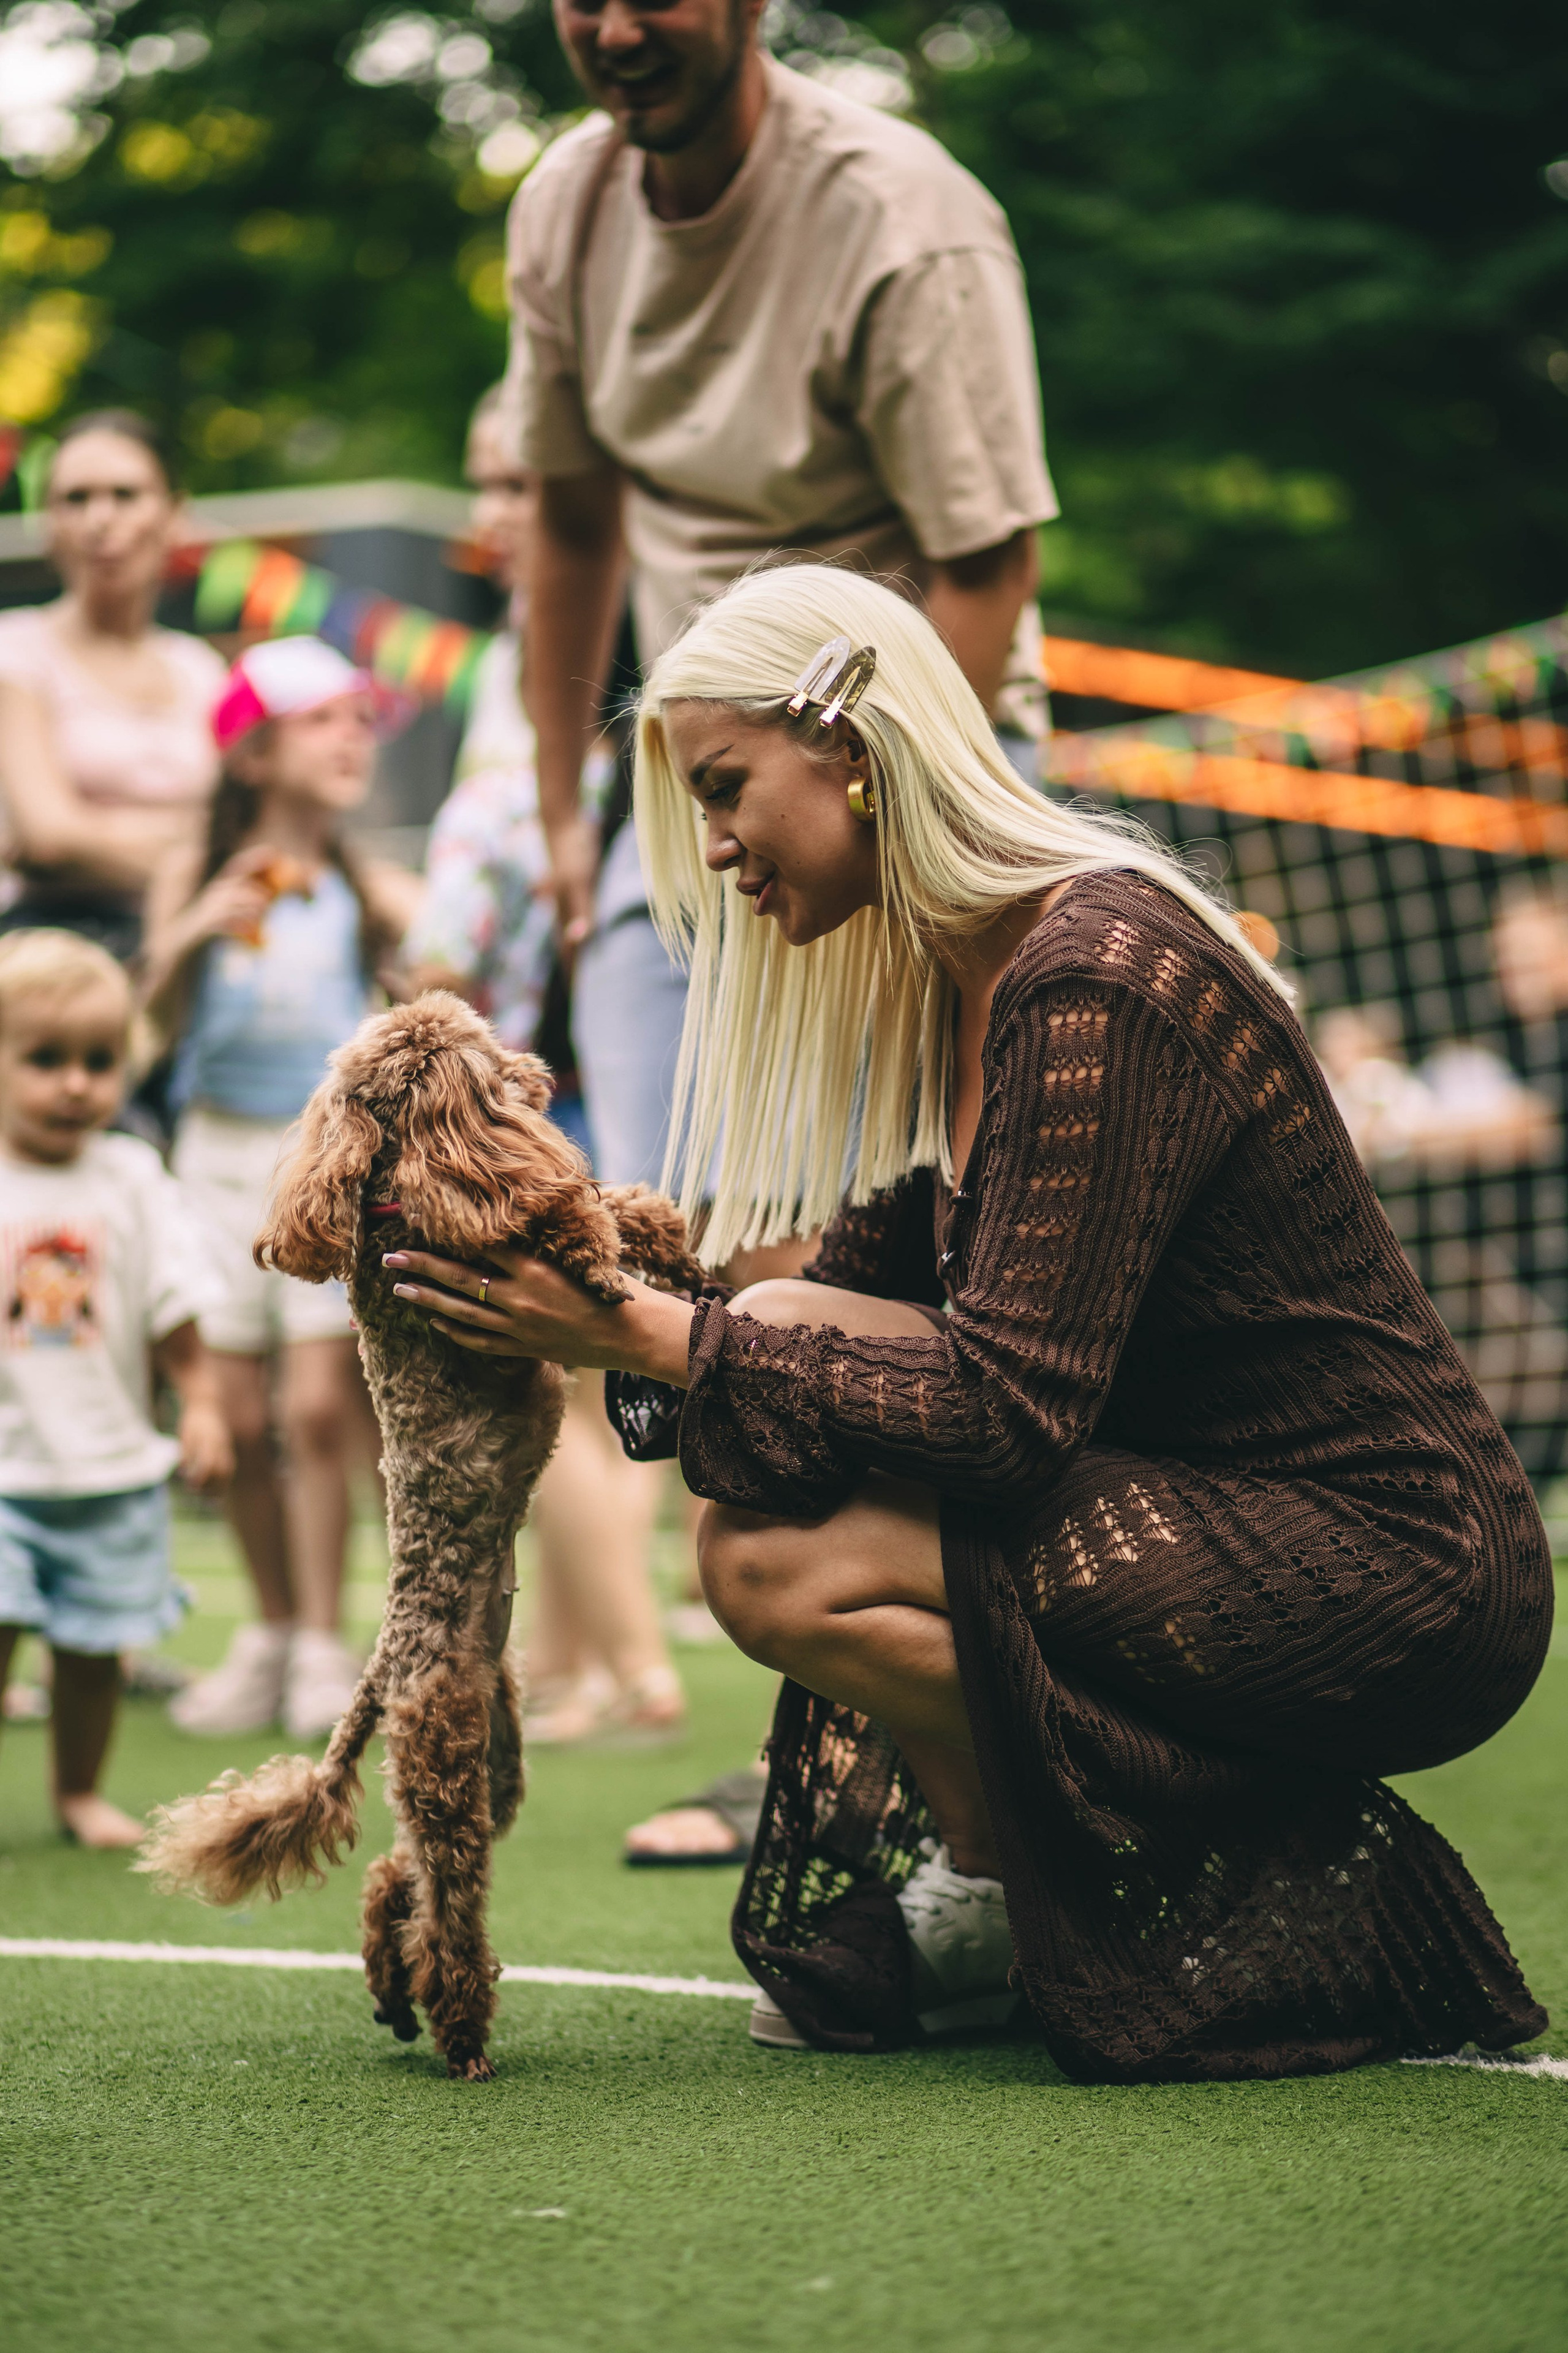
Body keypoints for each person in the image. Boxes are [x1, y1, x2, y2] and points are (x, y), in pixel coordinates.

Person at [381, 565, 1551, 2080]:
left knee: (777, 1550)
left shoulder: (1091, 974)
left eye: (724, 787)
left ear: (850, 749)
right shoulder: (965, 974)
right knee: (773, 1451)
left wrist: (654, 1340)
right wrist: (574, 1270)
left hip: (1392, 1562)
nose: (714, 846)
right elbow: (837, 1318)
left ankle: (1200, 1867)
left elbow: (1004, 1413)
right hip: (1202, 1505)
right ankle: (1016, 1890)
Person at [507, 0, 1055, 1843]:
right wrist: (567, 806)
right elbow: (567, 519)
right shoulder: (564, 209)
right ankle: (822, 1725)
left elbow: (979, 561)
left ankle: (920, 1722)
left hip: (906, 773)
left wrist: (871, 823)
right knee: (709, 1256)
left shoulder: (900, 217)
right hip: (690, 785)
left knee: (871, 1259)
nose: (614, 25)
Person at [404, 386, 683, 1743]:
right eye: (483, 481)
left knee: (545, 1363)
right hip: (545, 1054)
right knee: (569, 1368)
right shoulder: (523, 649)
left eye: (517, 483)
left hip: (545, 1073)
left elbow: (483, 893)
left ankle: (637, 1666)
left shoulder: (604, 660)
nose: (490, 513)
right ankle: (579, 1663)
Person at [141, 638, 413, 1742]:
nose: (353, 738)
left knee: (317, 1409)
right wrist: (187, 938)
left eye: (361, 719)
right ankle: (269, 1629)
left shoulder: (364, 889)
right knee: (239, 1416)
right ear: (252, 753)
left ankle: (320, 1643)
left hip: (320, 1161)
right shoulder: (195, 875)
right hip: (214, 1157)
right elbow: (146, 1033)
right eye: (322, 720)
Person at [0, 929, 230, 1845]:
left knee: (95, 1651)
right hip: (7, 1468)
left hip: (108, 1467)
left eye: (100, 1061)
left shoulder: (132, 1176)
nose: (76, 1084)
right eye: (45, 1059)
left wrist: (202, 1404)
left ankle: (77, 1791)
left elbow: (175, 1305)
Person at [0, 412, 225, 962]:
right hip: (51, 958)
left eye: (126, 495)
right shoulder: (16, 649)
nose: (100, 519)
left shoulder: (200, 670)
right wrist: (196, 848)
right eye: (75, 499)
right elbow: (50, 837)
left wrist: (96, 832)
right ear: (47, 522)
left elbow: (244, 828)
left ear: (174, 514)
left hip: (189, 952)